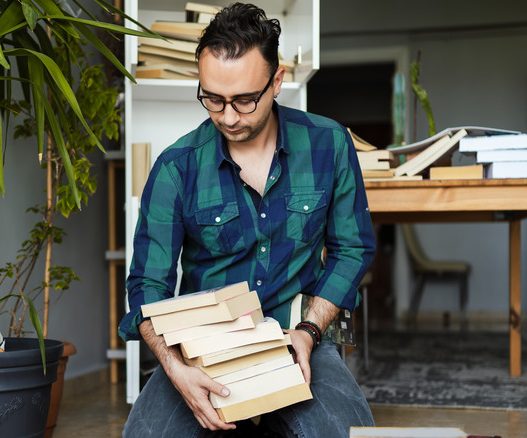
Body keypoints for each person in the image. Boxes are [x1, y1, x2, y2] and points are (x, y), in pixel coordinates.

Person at [119, 3, 376, 437]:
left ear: (277, 81)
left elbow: (353, 250)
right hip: (200, 349)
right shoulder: (175, 167)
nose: (228, 116)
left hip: (298, 336)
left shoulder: (329, 143)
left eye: (244, 99)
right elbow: (147, 287)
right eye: (212, 99)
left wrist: (310, 332)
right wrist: (177, 370)